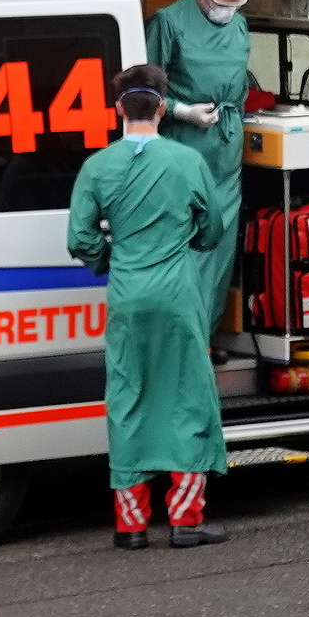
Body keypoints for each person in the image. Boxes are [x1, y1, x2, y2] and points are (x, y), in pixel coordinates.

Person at [67, 63, 231, 550]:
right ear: (162, 107)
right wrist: (184, 240)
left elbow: (80, 237)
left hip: (127, 295)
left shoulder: (97, 167)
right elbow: (212, 229)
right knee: (186, 397)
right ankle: (185, 520)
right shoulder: (186, 162)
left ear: (119, 108)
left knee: (128, 397)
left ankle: (131, 525)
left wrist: (112, 258)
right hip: (178, 296)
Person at [145, 0, 250, 337]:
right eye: (223, 4)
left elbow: (238, 85)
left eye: (236, 5)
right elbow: (142, 89)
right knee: (185, 249)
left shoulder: (237, 23)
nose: (229, 13)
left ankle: (205, 336)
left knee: (218, 245)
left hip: (225, 152)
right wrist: (181, 110)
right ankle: (183, 339)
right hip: (182, 148)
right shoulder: (168, 23)